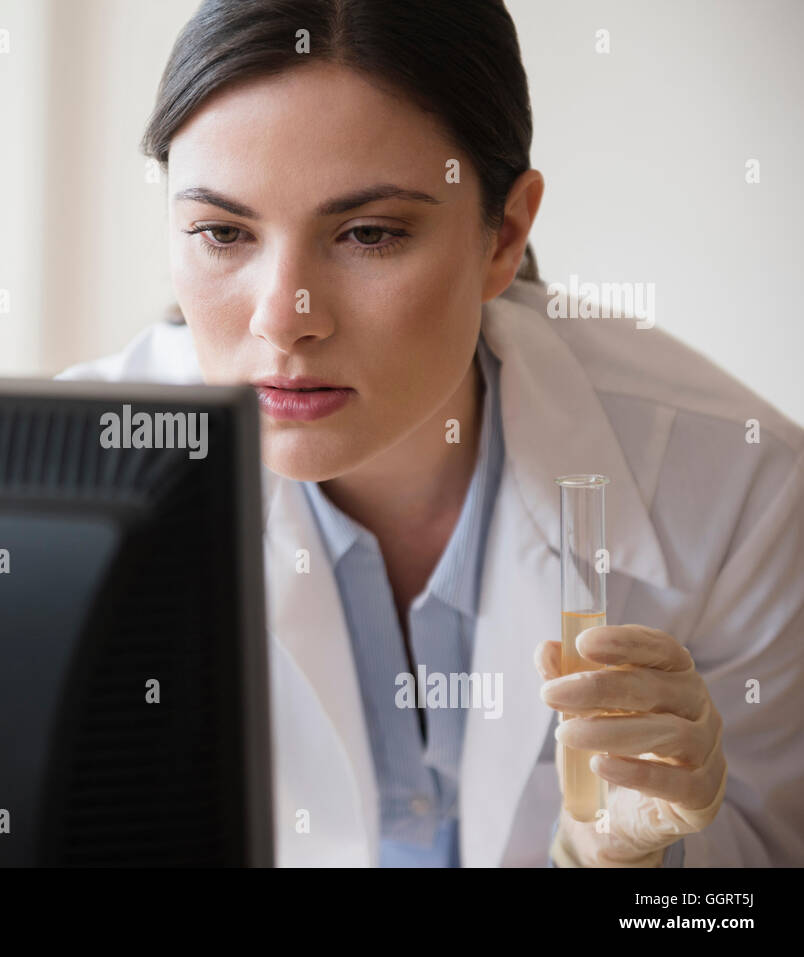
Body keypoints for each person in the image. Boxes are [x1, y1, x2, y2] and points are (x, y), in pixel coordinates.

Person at [57, 0, 804, 867]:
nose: (284, 318)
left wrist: (630, 866)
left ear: (505, 235)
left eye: (368, 234)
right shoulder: (71, 490)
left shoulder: (740, 489)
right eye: (223, 232)